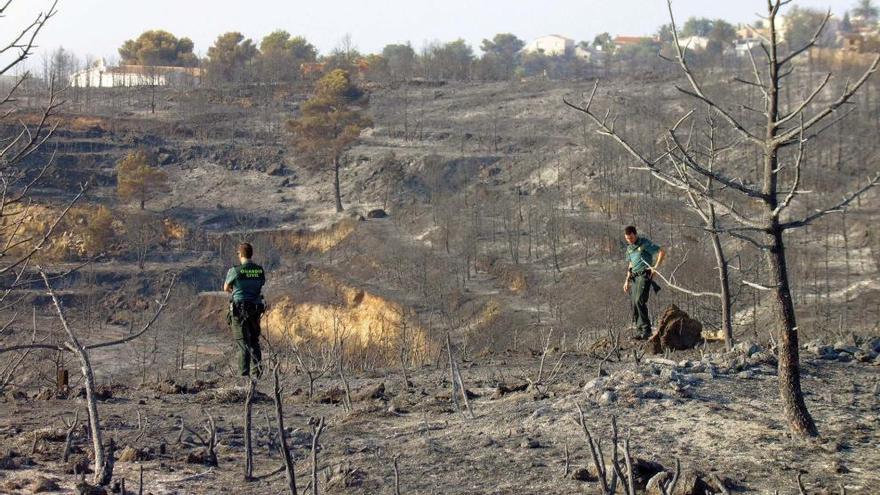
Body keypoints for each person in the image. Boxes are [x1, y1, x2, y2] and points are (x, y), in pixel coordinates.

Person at [224, 242, 266, 378]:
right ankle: (257, 374)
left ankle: (243, 376)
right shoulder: (259, 271)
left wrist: (237, 289)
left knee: (243, 344)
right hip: (255, 309)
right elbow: (260, 285)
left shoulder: (235, 271)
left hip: (239, 310)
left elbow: (226, 288)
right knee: (254, 341)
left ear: (240, 254)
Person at [622, 226, 665, 340]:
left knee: (639, 300)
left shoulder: (644, 243)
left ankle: (647, 330)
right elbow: (631, 264)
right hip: (634, 277)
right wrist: (627, 280)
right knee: (634, 303)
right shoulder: (630, 248)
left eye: (631, 238)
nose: (629, 240)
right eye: (627, 238)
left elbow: (661, 251)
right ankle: (639, 330)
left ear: (635, 234)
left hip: (644, 274)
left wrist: (655, 268)